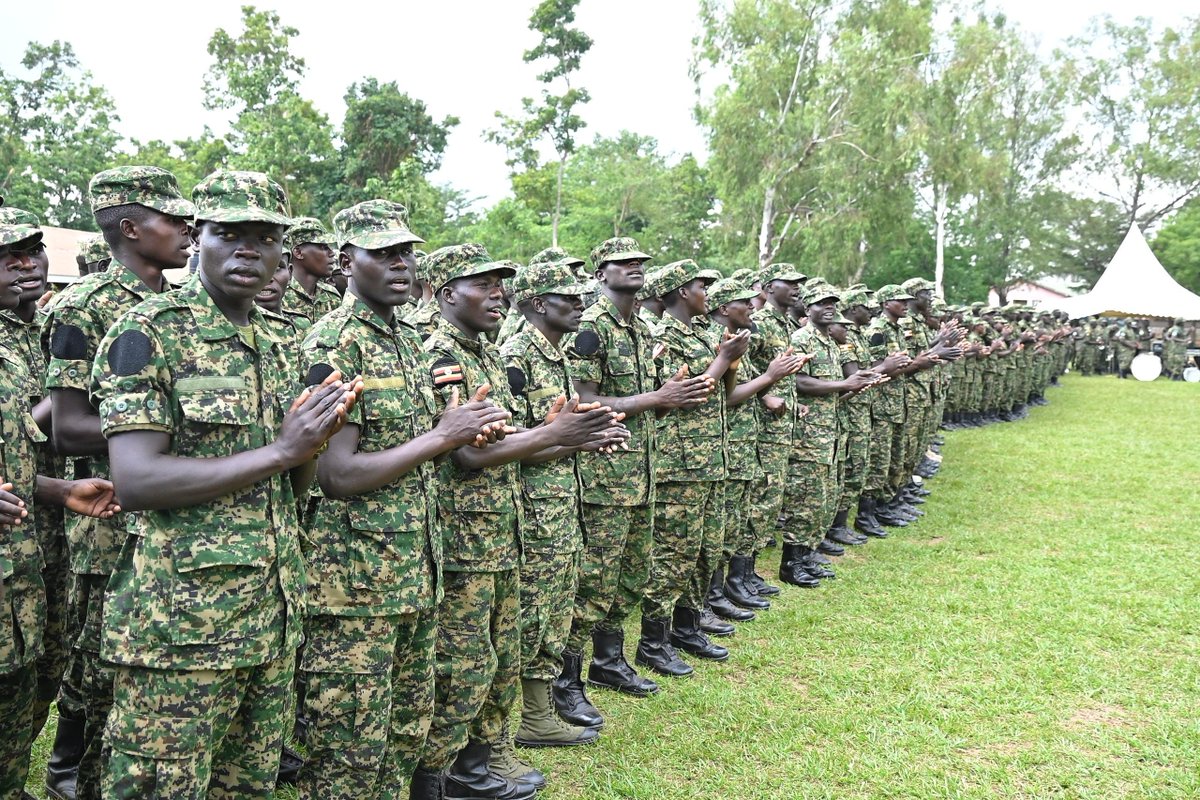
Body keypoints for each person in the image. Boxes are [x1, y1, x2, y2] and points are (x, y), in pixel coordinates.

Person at [91, 170, 360, 799]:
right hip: (181, 628)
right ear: (197, 239)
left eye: (264, 237)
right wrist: (283, 449)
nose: (248, 250)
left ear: (281, 252)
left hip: (271, 613)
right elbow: (136, 479)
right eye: (228, 234)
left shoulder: (286, 344)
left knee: (248, 786)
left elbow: (301, 484)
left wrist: (311, 446)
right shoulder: (148, 332)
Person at [298, 202, 511, 800]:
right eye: (383, 253)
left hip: (417, 567)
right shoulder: (336, 344)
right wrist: (445, 435)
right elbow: (335, 475)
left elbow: (424, 447)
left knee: (404, 738)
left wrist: (469, 429)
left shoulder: (407, 339)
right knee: (349, 755)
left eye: (407, 253)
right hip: (353, 587)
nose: (401, 265)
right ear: (346, 261)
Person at [417, 243, 623, 800]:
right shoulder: (440, 353)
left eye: (499, 284)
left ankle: (486, 757)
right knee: (463, 659)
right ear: (445, 293)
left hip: (503, 520)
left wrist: (572, 434)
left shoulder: (480, 350)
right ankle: (455, 769)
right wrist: (554, 436)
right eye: (482, 285)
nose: (496, 293)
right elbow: (465, 452)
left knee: (498, 650)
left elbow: (506, 438)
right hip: (464, 532)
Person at [42, 165, 194, 800]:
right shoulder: (87, 307)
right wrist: (156, 425)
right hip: (111, 507)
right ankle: (69, 767)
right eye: (172, 219)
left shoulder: (188, 308)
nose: (188, 229)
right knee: (99, 651)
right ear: (131, 228)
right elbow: (67, 427)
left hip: (176, 501)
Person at [558, 238, 710, 720]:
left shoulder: (641, 329)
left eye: (641, 262)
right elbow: (583, 402)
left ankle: (609, 661)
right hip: (604, 477)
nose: (635, 268)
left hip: (645, 472)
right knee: (593, 583)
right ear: (601, 272)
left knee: (629, 578)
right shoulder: (592, 327)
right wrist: (657, 399)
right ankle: (567, 681)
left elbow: (656, 396)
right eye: (623, 263)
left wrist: (667, 397)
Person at [0, 219, 121, 800]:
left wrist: (55, 490)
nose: (24, 264)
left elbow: (20, 455)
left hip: (46, 547)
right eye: (7, 257)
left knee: (40, 678)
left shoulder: (44, 332)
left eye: (30, 252)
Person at [501, 259, 623, 750]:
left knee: (553, 613)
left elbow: (559, 433)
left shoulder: (558, 355)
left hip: (559, 504)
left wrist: (592, 436)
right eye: (567, 299)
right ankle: (525, 721)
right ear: (537, 304)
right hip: (532, 510)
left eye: (580, 297)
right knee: (531, 617)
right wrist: (577, 441)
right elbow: (513, 447)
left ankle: (539, 715)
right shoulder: (517, 359)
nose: (579, 306)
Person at [637, 259, 748, 675]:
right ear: (682, 291)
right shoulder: (663, 335)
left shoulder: (705, 333)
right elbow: (683, 394)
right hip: (679, 464)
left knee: (705, 548)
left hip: (711, 460)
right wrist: (723, 360)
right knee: (673, 554)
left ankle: (687, 625)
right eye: (702, 285)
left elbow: (726, 392)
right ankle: (653, 641)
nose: (708, 293)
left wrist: (730, 364)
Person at [706, 278, 803, 613]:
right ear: (723, 309)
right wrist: (771, 378)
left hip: (743, 440)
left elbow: (742, 388)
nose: (751, 306)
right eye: (743, 302)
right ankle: (719, 591)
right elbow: (727, 397)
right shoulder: (718, 343)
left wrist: (769, 385)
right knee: (723, 523)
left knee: (739, 516)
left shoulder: (737, 342)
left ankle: (737, 580)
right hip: (726, 443)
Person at [781, 284, 878, 583]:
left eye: (833, 303)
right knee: (804, 499)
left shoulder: (830, 343)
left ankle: (808, 554)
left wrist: (857, 382)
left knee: (821, 499)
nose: (830, 307)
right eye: (822, 303)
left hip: (830, 431)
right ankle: (791, 564)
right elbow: (799, 382)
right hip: (808, 436)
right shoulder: (801, 339)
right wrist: (843, 385)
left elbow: (835, 390)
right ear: (808, 308)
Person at [747, 264, 809, 588]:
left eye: (799, 283)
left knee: (771, 498)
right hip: (762, 428)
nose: (797, 288)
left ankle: (749, 573)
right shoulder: (758, 324)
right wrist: (764, 397)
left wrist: (793, 401)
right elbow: (743, 375)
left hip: (781, 426)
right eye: (790, 282)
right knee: (760, 497)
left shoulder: (784, 324)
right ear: (769, 287)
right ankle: (739, 577)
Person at [282, 217, 342, 326]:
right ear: (298, 252)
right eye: (323, 247)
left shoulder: (332, 297)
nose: (332, 253)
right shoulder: (280, 295)